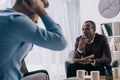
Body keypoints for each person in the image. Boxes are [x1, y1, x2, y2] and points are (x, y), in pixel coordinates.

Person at [0, 0, 67, 80]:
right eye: (37, 11)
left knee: (42, 75)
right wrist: (41, 11)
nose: (37, 20)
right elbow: (60, 42)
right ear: (27, 3)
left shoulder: (4, 16)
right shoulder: (16, 20)